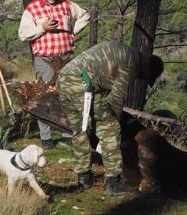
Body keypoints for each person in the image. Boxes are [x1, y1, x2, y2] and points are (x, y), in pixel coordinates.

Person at [55, 41, 164, 195]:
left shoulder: (127, 52)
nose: (142, 79)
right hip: (83, 84)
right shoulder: (132, 63)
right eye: (146, 77)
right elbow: (116, 100)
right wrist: (117, 122)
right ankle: (113, 183)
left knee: (81, 129)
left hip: (65, 79)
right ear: (148, 69)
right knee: (110, 129)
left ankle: (84, 177)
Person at [18, 0, 90, 149]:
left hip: (66, 57)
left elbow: (86, 15)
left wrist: (73, 30)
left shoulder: (67, 5)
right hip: (44, 58)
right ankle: (46, 137)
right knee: (44, 96)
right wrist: (41, 28)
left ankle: (67, 132)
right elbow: (22, 34)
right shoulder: (32, 9)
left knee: (68, 94)